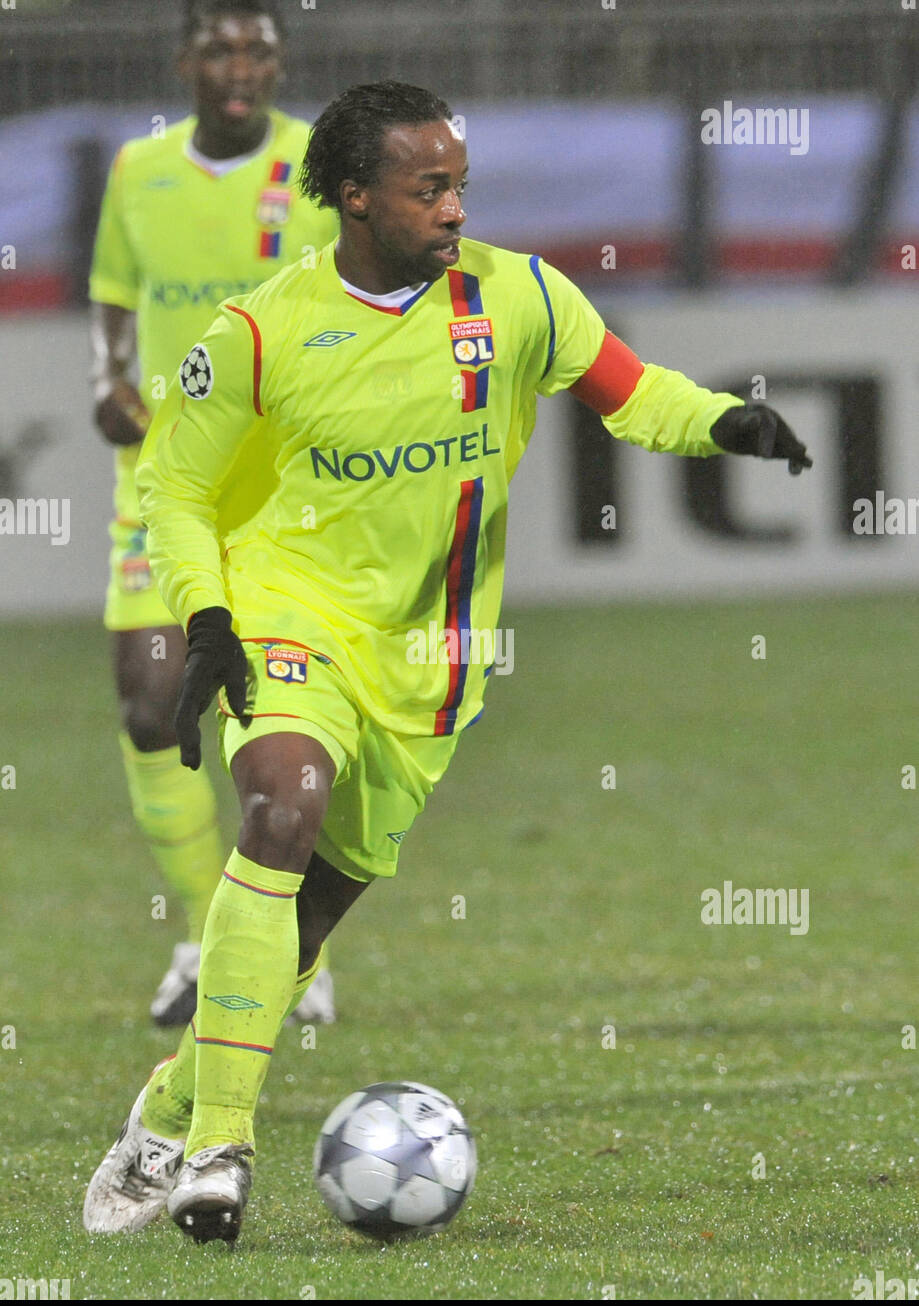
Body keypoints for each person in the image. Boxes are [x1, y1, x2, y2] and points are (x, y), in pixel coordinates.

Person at [83, 79, 812, 1244]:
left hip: (433, 664)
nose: (455, 209)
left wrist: (721, 421)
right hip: (289, 618)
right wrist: (209, 617)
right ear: (355, 196)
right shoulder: (262, 331)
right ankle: (221, 1145)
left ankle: (170, 1102)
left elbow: (628, 392)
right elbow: (173, 488)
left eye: (461, 186)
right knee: (280, 805)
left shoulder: (519, 297)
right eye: (430, 190)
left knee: (310, 914)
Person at [89, 0, 339, 1027]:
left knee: (277, 726)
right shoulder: (137, 174)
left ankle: (288, 948)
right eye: (222, 47)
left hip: (285, 493)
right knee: (152, 704)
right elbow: (114, 298)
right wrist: (109, 380)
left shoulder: (326, 169)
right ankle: (206, 934)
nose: (242, 65)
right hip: (163, 484)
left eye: (261, 49)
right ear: (186, 60)